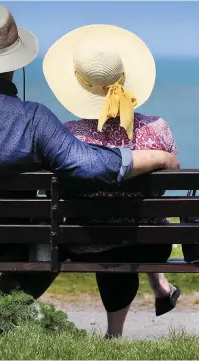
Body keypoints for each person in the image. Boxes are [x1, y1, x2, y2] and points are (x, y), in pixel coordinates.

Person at [0, 6, 179, 298]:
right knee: (46, 239)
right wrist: (158, 157)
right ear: (17, 62)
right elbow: (88, 165)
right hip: (5, 242)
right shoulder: (34, 118)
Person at [41, 24, 181, 337]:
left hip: (86, 242)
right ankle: (120, 328)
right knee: (134, 224)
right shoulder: (158, 129)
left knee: (108, 232)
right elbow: (168, 183)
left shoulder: (67, 135)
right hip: (152, 246)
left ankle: (115, 333)